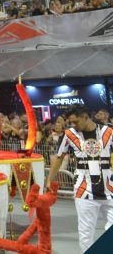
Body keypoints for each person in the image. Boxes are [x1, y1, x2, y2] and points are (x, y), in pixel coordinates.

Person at [46, 107, 113, 252]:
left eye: (76, 122)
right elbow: (59, 157)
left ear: (85, 117)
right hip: (84, 191)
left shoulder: (108, 131)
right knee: (86, 234)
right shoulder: (69, 134)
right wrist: (49, 179)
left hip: (109, 189)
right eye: (71, 123)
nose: (73, 125)